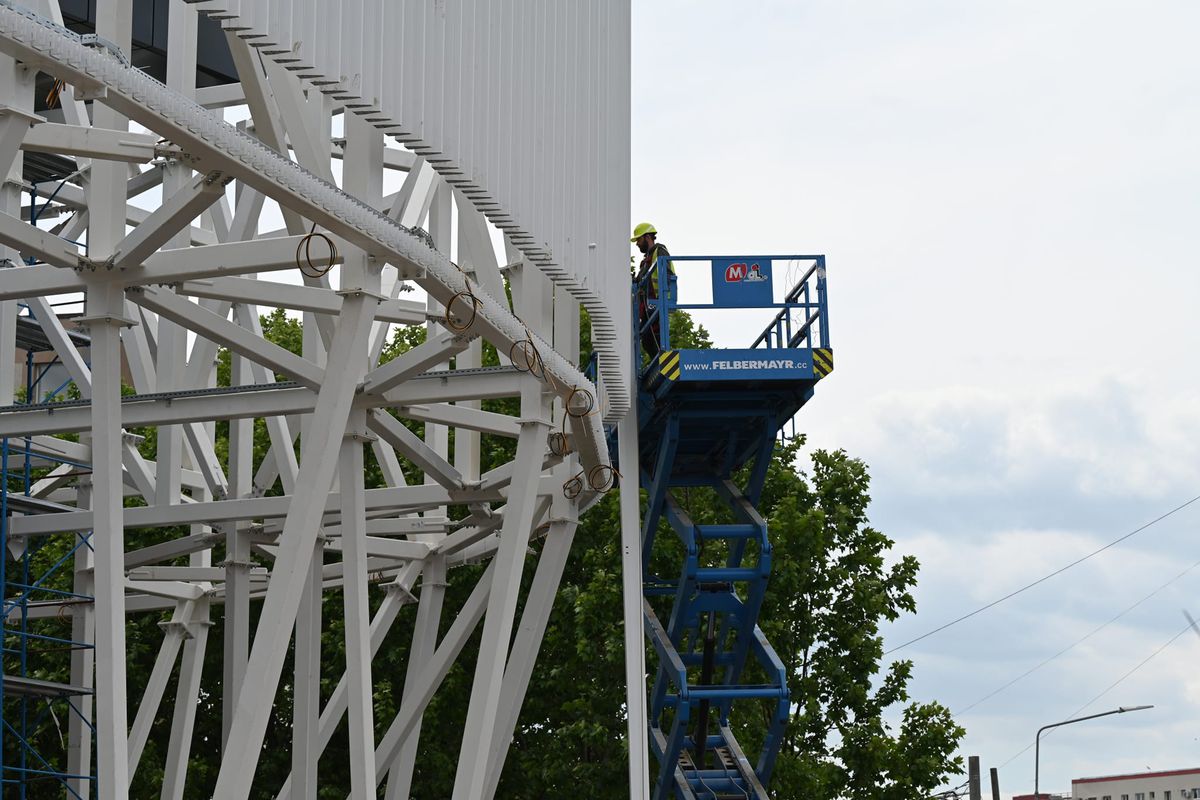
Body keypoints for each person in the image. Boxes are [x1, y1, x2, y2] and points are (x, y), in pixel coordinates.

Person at [631, 222, 675, 354]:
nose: (637, 243)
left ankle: (663, 362)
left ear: (648, 237)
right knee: (647, 339)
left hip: (658, 301)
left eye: (638, 239)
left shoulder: (660, 251)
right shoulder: (644, 262)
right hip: (649, 305)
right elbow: (639, 280)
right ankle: (661, 362)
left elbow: (667, 273)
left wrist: (663, 299)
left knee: (653, 337)